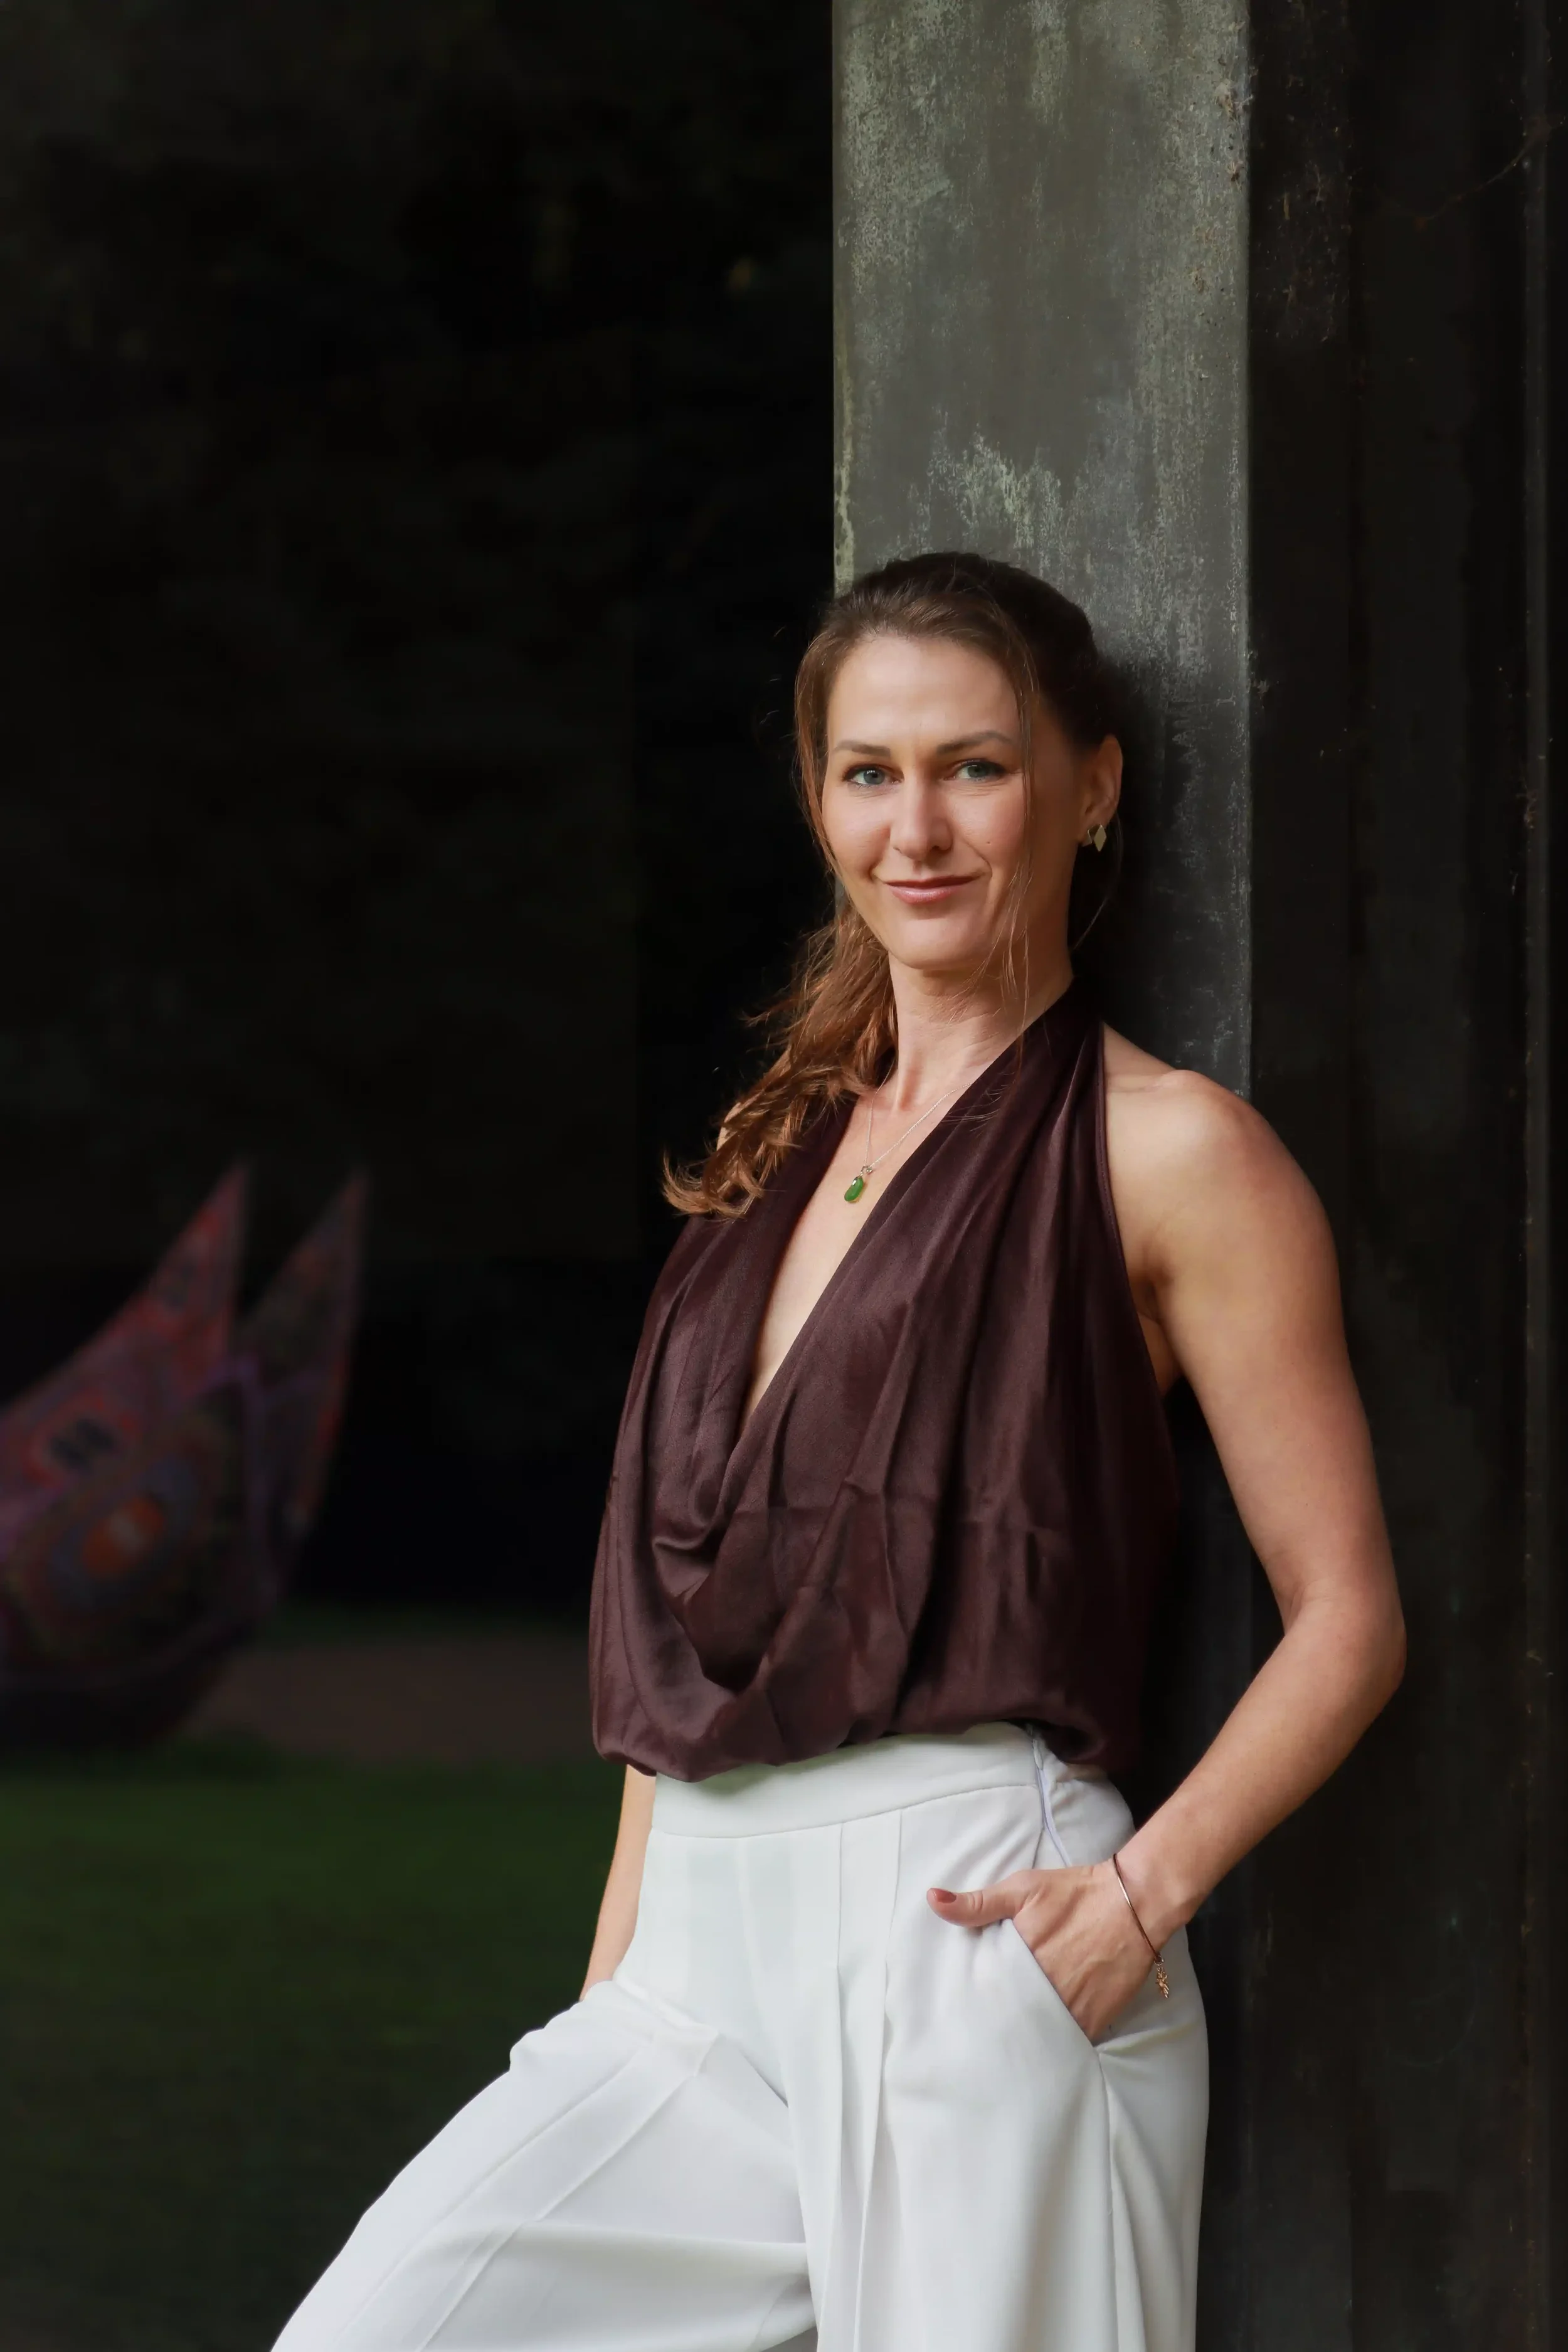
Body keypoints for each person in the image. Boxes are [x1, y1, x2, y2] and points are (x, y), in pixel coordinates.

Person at [273, 552, 1405, 2352]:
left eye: (975, 764)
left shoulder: (1171, 1149)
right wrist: (609, 1996)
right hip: (693, 1965)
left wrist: (1134, 1900)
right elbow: (693, 1633)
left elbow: (1345, 1612)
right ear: (818, 803)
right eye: (869, 772)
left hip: (967, 1930)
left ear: (1089, 786)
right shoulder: (775, 1145)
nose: (918, 827)